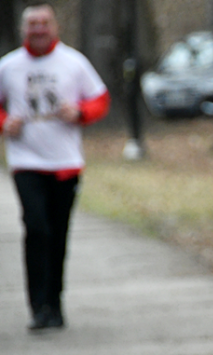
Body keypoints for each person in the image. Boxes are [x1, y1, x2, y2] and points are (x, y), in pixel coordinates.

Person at [0, 2, 110, 331]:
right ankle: (38, 306)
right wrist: (5, 122)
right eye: (32, 24)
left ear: (54, 26)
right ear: (23, 29)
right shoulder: (9, 66)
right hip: (26, 161)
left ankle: (55, 304)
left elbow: (99, 98)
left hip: (64, 163)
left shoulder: (73, 62)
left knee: (58, 234)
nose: (38, 29)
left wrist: (78, 113)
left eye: (43, 23)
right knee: (36, 228)